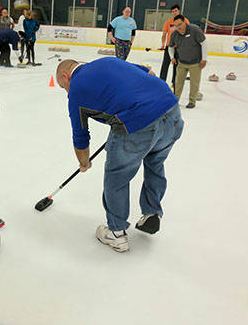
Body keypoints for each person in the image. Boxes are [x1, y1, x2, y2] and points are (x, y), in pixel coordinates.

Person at [55, 58, 183, 253]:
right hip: (171, 113)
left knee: (117, 176)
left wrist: (84, 161)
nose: (66, 91)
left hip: (138, 123)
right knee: (155, 163)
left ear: (66, 76)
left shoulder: (76, 91)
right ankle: (151, 213)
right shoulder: (108, 61)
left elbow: (80, 136)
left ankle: (116, 233)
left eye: (63, 86)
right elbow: (149, 73)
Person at [168, 15, 207, 109]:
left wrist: (204, 59)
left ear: (184, 22)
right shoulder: (174, 34)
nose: (178, 27)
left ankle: (192, 101)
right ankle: (175, 100)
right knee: (178, 83)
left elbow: (204, 43)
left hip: (195, 63)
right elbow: (170, 47)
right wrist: (172, 57)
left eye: (180, 24)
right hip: (181, 62)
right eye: (176, 25)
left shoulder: (194, 30)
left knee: (194, 83)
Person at [160, 4, 190, 88]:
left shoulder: (185, 21)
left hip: (180, 48)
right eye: (172, 11)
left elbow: (188, 34)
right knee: (165, 64)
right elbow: (164, 34)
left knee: (176, 66)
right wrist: (163, 44)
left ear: (179, 11)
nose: (174, 13)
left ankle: (175, 82)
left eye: (176, 11)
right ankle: (161, 81)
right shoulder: (168, 22)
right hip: (169, 46)